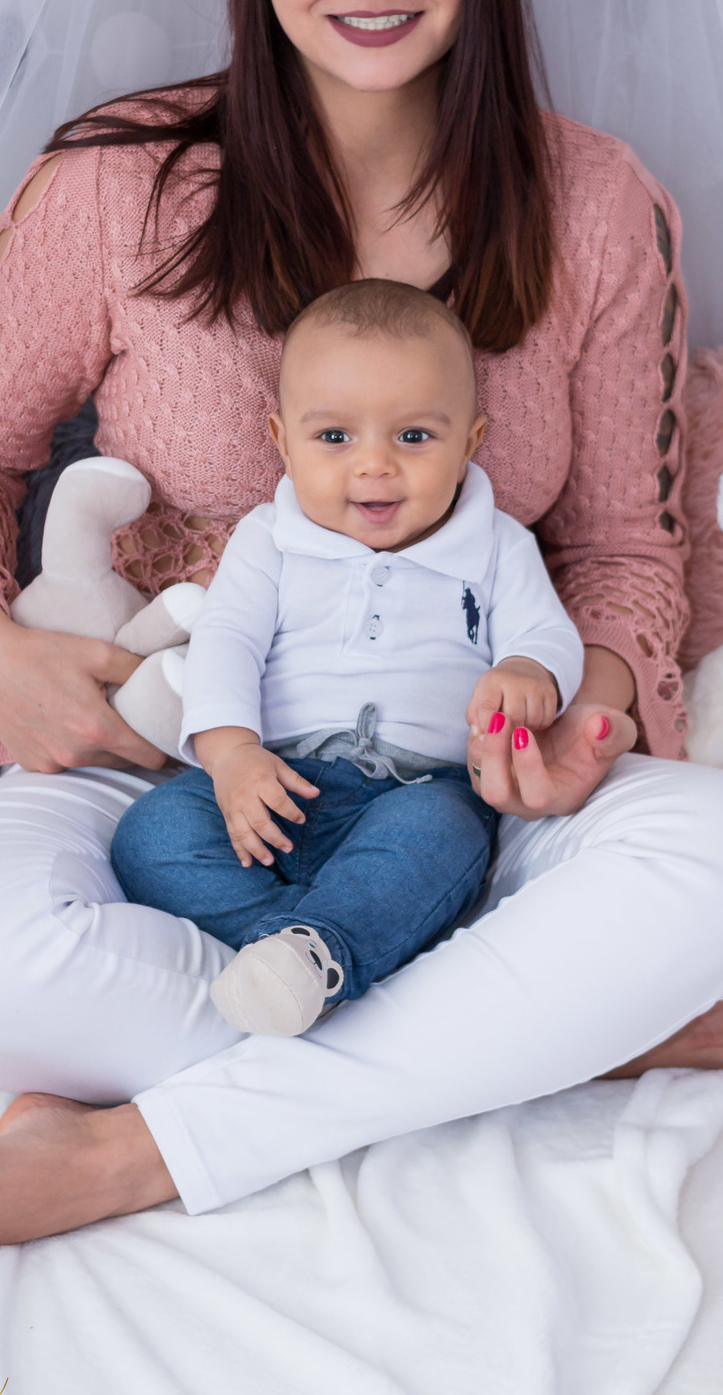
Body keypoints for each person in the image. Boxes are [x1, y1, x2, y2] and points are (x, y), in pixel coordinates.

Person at [0, 0, 723, 1266]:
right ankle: (532, 1035)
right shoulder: (118, 183)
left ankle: (123, 1157)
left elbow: (627, 548)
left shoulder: (594, 203)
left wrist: (590, 711)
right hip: (178, 755)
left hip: (460, 788)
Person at [111, 278, 586, 1036]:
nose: (374, 467)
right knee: (152, 838)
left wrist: (530, 670)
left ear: (469, 441)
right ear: (282, 441)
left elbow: (550, 636)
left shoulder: (497, 547)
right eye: (335, 438)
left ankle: (319, 950)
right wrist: (231, 757)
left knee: (446, 840)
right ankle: (312, 952)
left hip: (414, 792)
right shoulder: (267, 539)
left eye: (414, 438)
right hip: (272, 781)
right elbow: (226, 641)